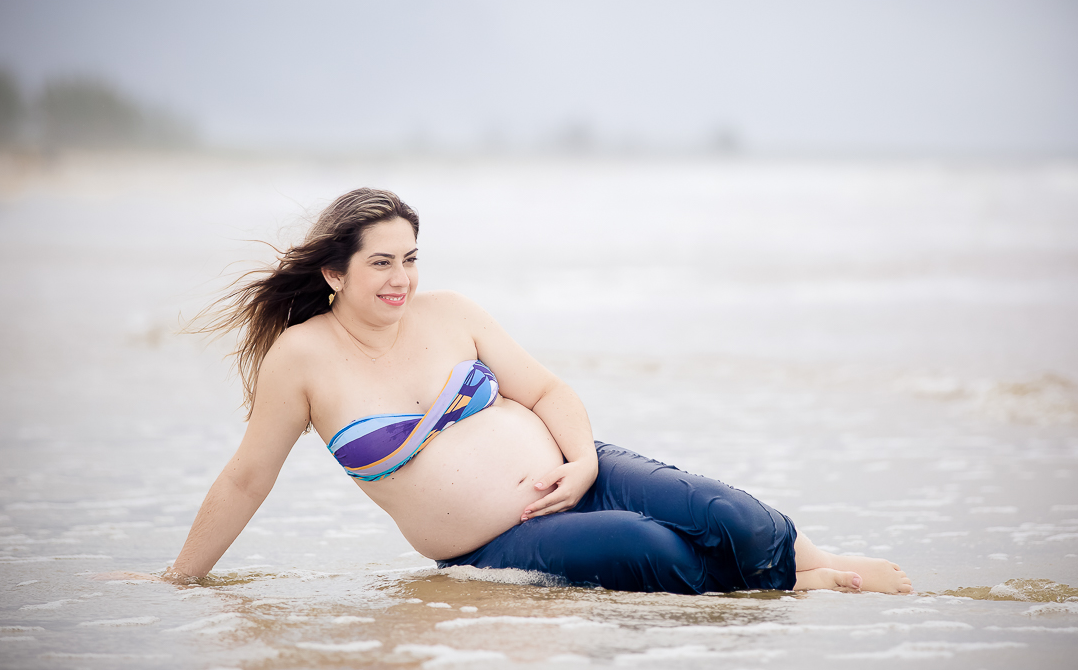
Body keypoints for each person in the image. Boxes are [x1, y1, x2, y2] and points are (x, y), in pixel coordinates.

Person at [168, 188, 911, 595]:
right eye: (382, 264)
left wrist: (582, 460)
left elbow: (550, 390)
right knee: (648, 548)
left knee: (726, 513)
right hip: (494, 538)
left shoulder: (451, 313)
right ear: (334, 273)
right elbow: (247, 477)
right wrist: (179, 577)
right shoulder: (303, 360)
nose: (402, 280)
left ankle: (812, 562)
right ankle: (801, 587)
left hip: (574, 465)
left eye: (411, 260)